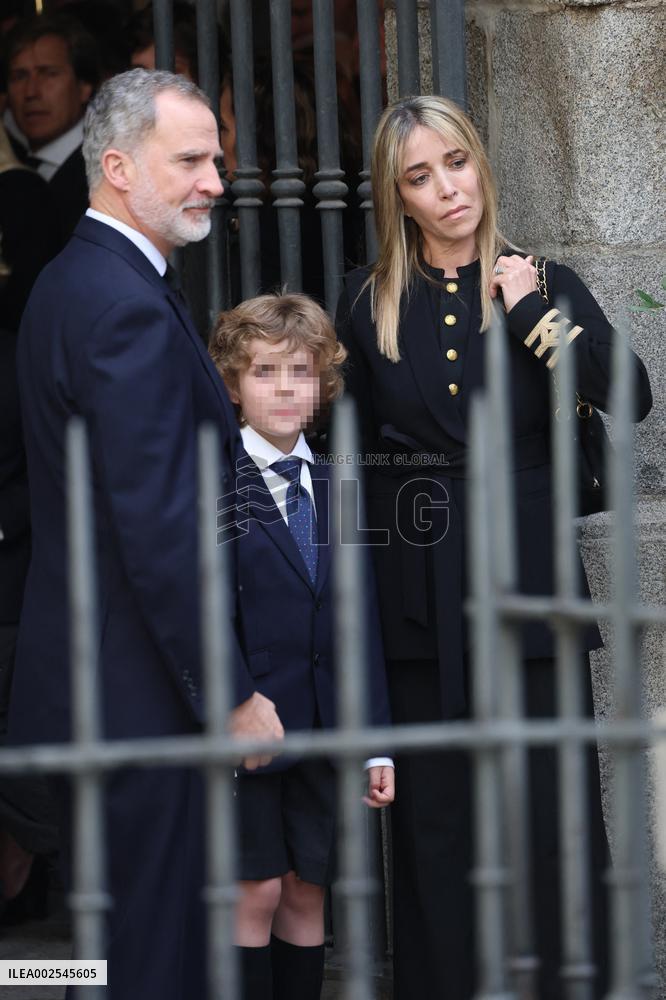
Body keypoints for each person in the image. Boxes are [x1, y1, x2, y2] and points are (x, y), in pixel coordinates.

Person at [335, 94, 653, 1000]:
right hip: (415, 598)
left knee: (548, 817)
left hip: (528, 586)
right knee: (435, 826)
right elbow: (344, 465)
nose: (446, 190)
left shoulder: (542, 283)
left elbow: (629, 398)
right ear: (397, 197)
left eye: (457, 164)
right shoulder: (367, 306)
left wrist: (534, 321)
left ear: (482, 163)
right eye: (419, 177)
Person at [9, 68, 283, 1000]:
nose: (217, 179)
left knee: (113, 947)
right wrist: (230, 693)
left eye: (219, 157)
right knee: (149, 956)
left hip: (107, 690)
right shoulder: (120, 301)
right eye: (194, 160)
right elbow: (160, 528)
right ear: (118, 167)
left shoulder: (78, 280)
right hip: (140, 698)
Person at [210, 292, 394, 1000]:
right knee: (252, 892)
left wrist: (374, 743)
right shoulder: (211, 481)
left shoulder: (338, 487)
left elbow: (360, 619)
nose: (285, 388)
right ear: (232, 384)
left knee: (305, 893)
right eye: (264, 372)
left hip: (320, 733)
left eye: (300, 371)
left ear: (323, 382)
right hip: (246, 727)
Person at [4, 13, 100, 244]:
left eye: (49, 74)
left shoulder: (101, 174)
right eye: (19, 76)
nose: (31, 92)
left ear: (84, 86)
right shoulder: (13, 168)